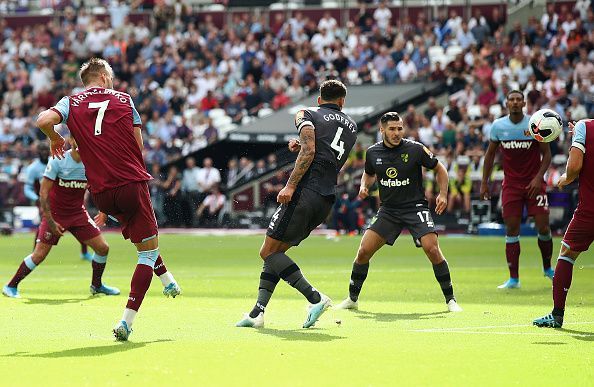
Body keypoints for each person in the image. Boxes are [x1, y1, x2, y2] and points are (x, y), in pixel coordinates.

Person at [35, 58, 181, 341]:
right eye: (110, 78)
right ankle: (127, 322)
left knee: (143, 240)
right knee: (147, 251)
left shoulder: (70, 102)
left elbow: (42, 120)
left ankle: (168, 281)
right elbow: (138, 147)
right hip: (130, 183)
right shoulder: (124, 99)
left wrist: (54, 137)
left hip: (101, 194)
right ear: (103, 76)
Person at [236, 80, 358, 329]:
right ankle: (257, 313)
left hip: (304, 193)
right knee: (275, 254)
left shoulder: (306, 113)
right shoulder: (352, 127)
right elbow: (325, 154)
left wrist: (290, 185)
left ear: (318, 98)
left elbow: (310, 150)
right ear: (342, 102)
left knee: (267, 252)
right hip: (325, 198)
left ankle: (315, 298)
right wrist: (301, 145)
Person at [335, 112, 463, 312]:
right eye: (392, 129)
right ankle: (352, 299)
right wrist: (363, 186)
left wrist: (443, 194)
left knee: (432, 248)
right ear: (382, 130)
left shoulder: (416, 149)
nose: (396, 133)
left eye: (399, 128)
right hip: (389, 210)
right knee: (363, 251)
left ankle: (451, 300)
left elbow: (440, 170)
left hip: (415, 207)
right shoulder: (372, 153)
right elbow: (369, 174)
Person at [3, 137, 119, 298]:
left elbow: (99, 188)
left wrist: (103, 210)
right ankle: (11, 286)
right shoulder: (58, 160)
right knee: (39, 255)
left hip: (78, 214)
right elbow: (43, 194)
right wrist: (50, 220)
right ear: (71, 141)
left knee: (103, 248)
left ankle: (97, 285)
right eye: (77, 138)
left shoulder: (92, 162)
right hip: (55, 215)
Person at [481, 90, 553, 289]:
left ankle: (548, 268)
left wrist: (539, 178)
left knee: (544, 227)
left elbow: (547, 154)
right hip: (511, 186)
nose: (514, 102)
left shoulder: (534, 124)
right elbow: (489, 156)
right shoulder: (498, 126)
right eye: (511, 99)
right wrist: (484, 183)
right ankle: (514, 279)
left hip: (534, 185)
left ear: (524, 103)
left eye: (518, 99)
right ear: (506, 104)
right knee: (512, 229)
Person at [534, 119, 593, 328]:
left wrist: (564, 178)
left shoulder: (586, 127)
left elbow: (575, 167)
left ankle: (557, 314)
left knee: (566, 256)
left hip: (590, 212)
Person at [24, 142, 92, 261]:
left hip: (61, 198)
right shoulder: (32, 168)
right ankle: (36, 253)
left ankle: (84, 252)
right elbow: (27, 188)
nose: (45, 154)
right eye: (42, 152)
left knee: (81, 225)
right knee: (44, 225)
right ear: (38, 153)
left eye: (46, 151)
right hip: (44, 200)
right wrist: (37, 199)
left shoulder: (57, 160)